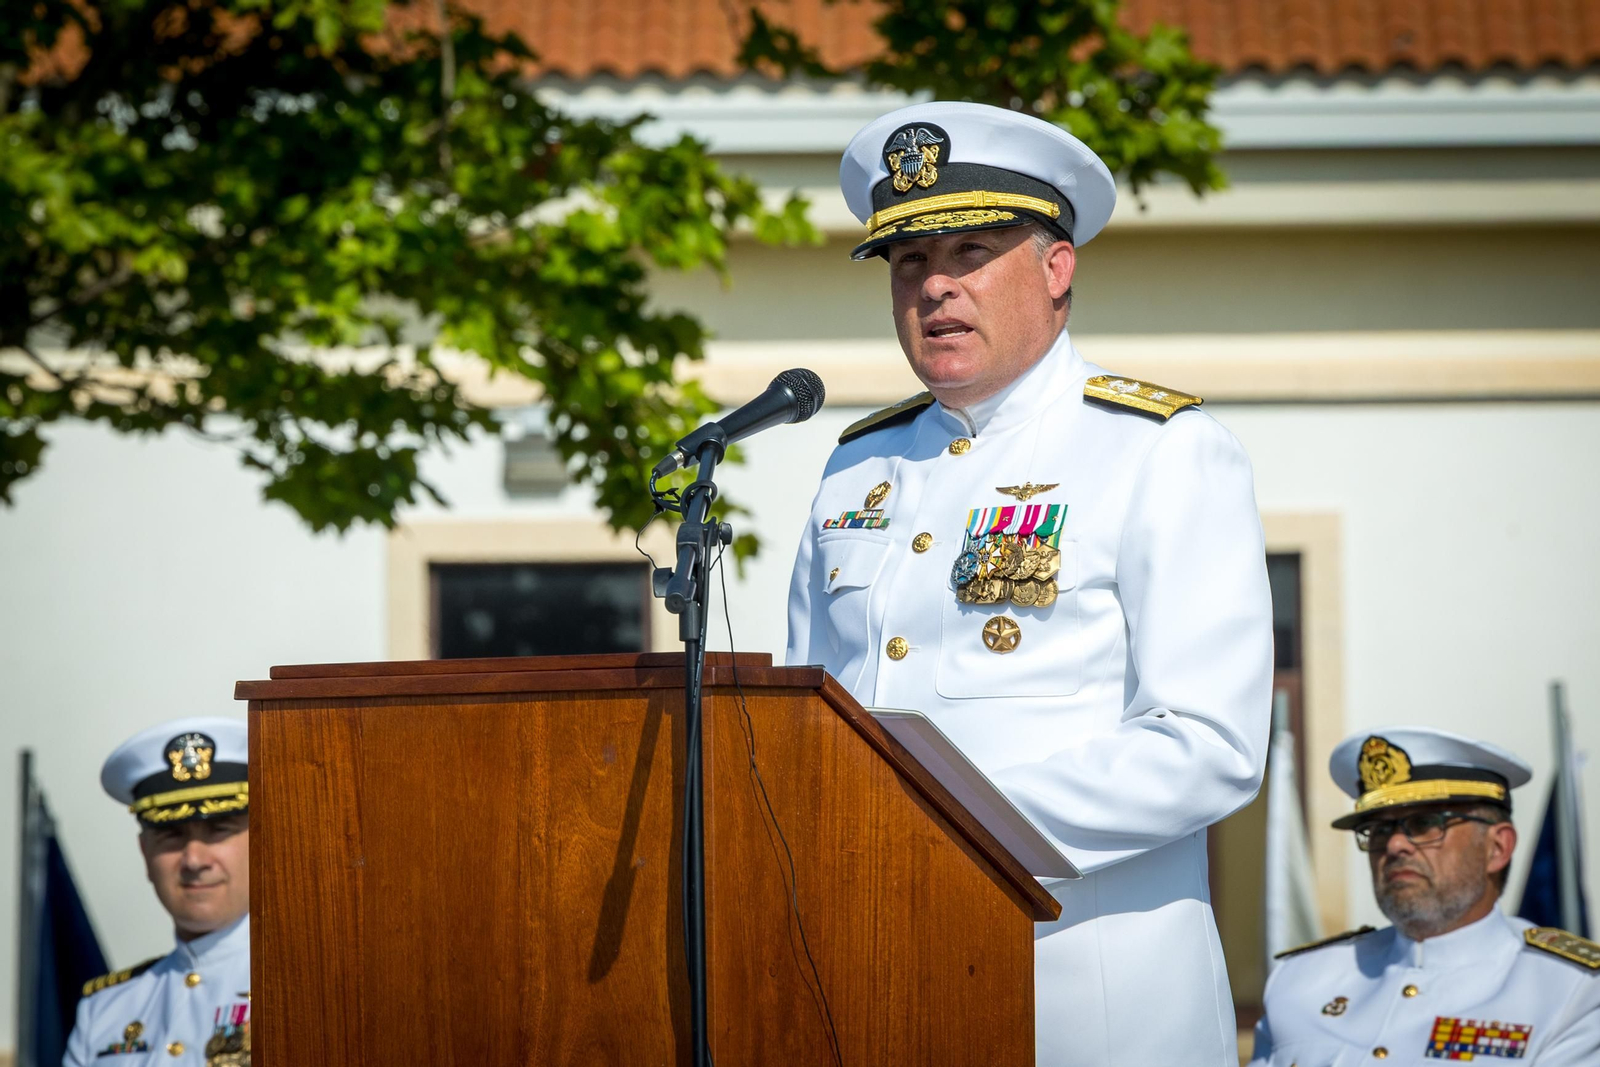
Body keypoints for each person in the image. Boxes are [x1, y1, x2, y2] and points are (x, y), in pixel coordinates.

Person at [786, 101, 1274, 1066]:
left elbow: (1209, 743)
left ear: (1057, 269)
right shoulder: (856, 468)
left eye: (970, 253)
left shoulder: (1160, 452)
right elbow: (811, 721)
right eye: (911, 262)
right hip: (875, 977)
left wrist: (960, 831)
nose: (935, 288)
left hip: (1086, 999)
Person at [1250, 727, 1600, 1066]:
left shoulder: (1571, 994)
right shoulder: (1300, 983)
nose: (1395, 844)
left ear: (1497, 847)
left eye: (1424, 824)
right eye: (1380, 829)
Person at [65, 717, 252, 1066]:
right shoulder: (104, 1010)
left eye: (218, 830)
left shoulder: (313, 992)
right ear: (144, 853)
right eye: (171, 834)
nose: (194, 860)